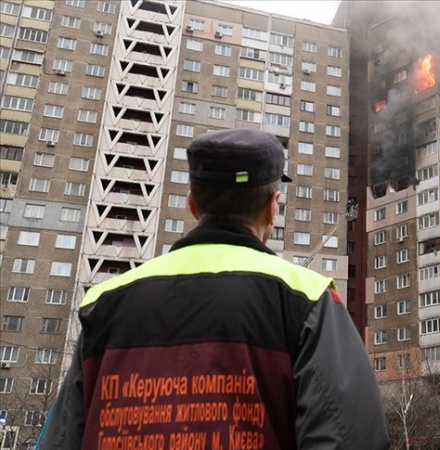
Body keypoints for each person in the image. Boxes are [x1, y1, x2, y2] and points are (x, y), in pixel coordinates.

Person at [38, 129, 390, 449]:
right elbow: (350, 437)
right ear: (272, 208)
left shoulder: (104, 302)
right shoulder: (308, 298)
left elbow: (64, 437)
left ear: (193, 205)